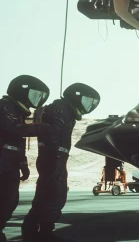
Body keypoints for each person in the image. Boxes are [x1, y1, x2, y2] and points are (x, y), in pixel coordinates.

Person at [22, 83, 100, 241]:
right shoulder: (61, 111)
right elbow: (53, 134)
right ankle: (43, 231)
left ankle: (35, 227)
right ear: (76, 97)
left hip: (54, 157)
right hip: (54, 157)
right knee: (52, 192)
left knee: (49, 192)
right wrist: (56, 157)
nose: (87, 106)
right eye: (86, 101)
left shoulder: (63, 110)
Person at [0, 75, 50, 242]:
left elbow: (16, 141)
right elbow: (14, 129)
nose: (37, 100)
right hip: (3, 163)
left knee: (10, 200)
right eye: (35, 95)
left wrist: (22, 163)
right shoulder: (4, 106)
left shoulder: (17, 111)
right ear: (22, 91)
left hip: (10, 163)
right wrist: (41, 128)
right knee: (5, 199)